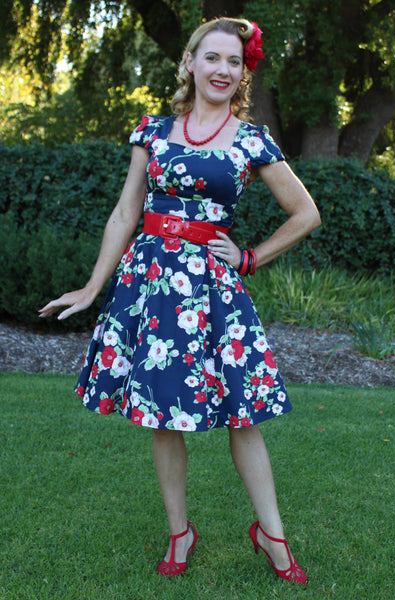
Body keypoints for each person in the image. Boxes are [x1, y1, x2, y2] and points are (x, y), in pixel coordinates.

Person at [40, 17, 320, 584]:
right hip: (151, 284)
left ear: (243, 73)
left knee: (243, 414)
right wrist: (93, 287)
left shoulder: (250, 139)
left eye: (234, 62)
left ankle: (272, 533)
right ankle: (179, 533)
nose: (222, 69)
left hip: (214, 291)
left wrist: (249, 258)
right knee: (162, 414)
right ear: (190, 63)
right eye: (212, 57)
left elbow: (306, 213)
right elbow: (125, 213)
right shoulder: (152, 132)